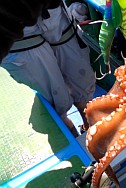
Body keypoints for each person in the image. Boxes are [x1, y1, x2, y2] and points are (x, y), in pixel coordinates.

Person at [0, 0, 96, 137]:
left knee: (82, 80)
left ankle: (92, 131)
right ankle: (77, 142)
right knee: (56, 103)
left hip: (52, 10)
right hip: (10, 28)